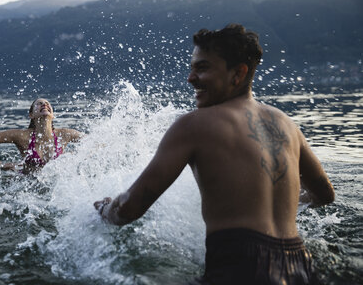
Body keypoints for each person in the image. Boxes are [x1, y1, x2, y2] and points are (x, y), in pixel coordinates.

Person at [94, 24, 335, 284]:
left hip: (240, 269)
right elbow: (324, 195)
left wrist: (106, 209)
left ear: (238, 73)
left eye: (202, 68)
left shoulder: (195, 125)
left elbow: (130, 207)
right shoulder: (286, 124)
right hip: (300, 266)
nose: (190, 78)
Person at [0, 98, 83, 174]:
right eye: (39, 104)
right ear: (31, 115)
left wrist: (76, 156)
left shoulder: (65, 134)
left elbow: (96, 141)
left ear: (53, 115)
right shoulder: (22, 135)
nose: (44, 105)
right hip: (26, 183)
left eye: (47, 103)